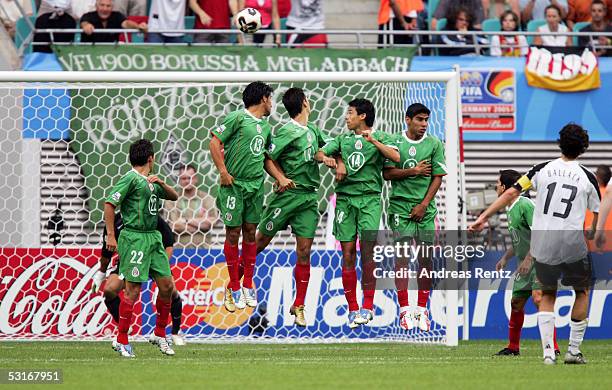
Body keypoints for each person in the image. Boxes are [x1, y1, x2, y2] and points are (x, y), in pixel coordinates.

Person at [470, 123, 600, 365]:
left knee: (547, 295)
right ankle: (573, 351)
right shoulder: (588, 177)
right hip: (572, 243)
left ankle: (548, 353)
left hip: (545, 243)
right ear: (584, 148)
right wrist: (592, 231)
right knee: (581, 292)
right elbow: (595, 216)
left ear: (559, 143)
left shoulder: (542, 169)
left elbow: (511, 193)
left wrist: (482, 217)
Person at [315, 99, 400, 328]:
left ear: (362, 116)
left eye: (350, 113)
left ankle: (368, 306)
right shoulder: (342, 140)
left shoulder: (381, 136)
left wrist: (373, 141)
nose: (346, 117)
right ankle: (353, 309)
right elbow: (318, 153)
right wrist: (337, 161)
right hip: (345, 201)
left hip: (370, 200)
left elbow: (396, 157)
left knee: (368, 253)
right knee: (348, 253)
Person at [209, 82, 292, 313]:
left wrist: (280, 177)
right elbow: (214, 142)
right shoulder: (237, 117)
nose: (272, 104)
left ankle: (247, 285)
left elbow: (266, 158)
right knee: (233, 233)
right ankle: (234, 286)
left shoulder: (265, 128)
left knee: (250, 233)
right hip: (234, 185)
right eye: (271, 99)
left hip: (256, 186)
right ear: (264, 98)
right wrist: (223, 172)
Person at [255, 87, 332, 327]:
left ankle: (299, 303)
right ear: (305, 103)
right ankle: (235, 284)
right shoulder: (287, 130)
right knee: (259, 243)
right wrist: (280, 179)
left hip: (308, 198)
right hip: (288, 195)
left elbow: (318, 151)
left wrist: (327, 158)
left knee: (304, 251)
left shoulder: (313, 130)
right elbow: (269, 156)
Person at [104, 139, 180, 358]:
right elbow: (109, 203)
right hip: (134, 238)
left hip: (154, 238)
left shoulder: (152, 181)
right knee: (133, 290)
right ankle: (122, 339)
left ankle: (159, 333)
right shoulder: (130, 178)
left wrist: (162, 183)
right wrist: (111, 235)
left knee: (166, 286)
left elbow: (174, 196)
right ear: (150, 158)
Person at [383, 103, 446, 332]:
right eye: (419, 119)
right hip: (400, 208)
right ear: (408, 119)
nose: (424, 124)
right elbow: (387, 173)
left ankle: (422, 310)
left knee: (425, 260)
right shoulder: (395, 142)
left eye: (426, 120)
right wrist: (413, 171)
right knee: (402, 258)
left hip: (425, 210)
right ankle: (404, 310)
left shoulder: (434, 143)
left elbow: (438, 176)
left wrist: (423, 204)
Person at [90, 213, 187, 347]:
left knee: (171, 291)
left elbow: (168, 244)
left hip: (154, 262)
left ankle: (176, 332)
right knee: (109, 289)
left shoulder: (151, 217)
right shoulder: (114, 222)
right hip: (130, 263)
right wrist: (101, 272)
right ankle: (125, 327)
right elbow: (107, 251)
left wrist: (162, 270)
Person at [491, 170, 559, 357]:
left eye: (497, 183)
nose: (496, 186)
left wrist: (529, 260)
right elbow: (519, 239)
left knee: (539, 299)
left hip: (539, 261)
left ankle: (552, 346)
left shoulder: (525, 204)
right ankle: (513, 347)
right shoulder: (510, 208)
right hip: (525, 264)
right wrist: (505, 258)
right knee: (516, 303)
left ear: (504, 187)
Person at [165, 164, 217, 248]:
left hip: (204, 249)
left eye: (190, 178)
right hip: (180, 249)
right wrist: (200, 223)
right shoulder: (172, 200)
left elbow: (209, 223)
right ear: (179, 180)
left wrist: (185, 220)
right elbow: (174, 226)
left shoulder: (206, 198)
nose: (187, 181)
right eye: (184, 178)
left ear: (195, 179)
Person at [80, 0, 147, 43]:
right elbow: (84, 22)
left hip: (111, 54)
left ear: (112, 8)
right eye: (102, 5)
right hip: (89, 53)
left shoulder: (117, 16)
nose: (105, 9)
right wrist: (86, 26)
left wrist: (138, 26)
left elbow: (126, 23)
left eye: (108, 6)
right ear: (96, 6)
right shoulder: (88, 16)